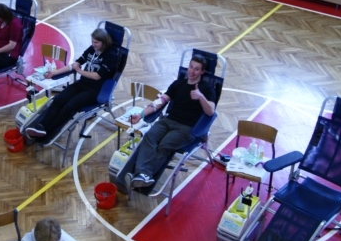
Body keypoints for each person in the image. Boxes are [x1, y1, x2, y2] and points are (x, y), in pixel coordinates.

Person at [123, 54, 216, 189]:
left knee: (164, 145)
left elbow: (211, 112)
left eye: (196, 69)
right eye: (191, 67)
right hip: (168, 120)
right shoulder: (178, 84)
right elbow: (160, 101)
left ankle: (142, 174)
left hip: (187, 128)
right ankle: (143, 176)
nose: (192, 71)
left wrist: (201, 97)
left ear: (202, 71)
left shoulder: (207, 89)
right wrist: (141, 114)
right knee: (149, 137)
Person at [25, 29, 117, 139]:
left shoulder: (111, 55)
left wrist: (79, 71)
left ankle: (47, 131)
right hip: (82, 83)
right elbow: (75, 64)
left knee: (70, 106)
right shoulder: (92, 49)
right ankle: (41, 126)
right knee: (58, 99)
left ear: (104, 42)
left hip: (95, 90)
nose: (93, 44)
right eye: (92, 41)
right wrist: (54, 73)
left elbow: (97, 76)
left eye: (96, 42)